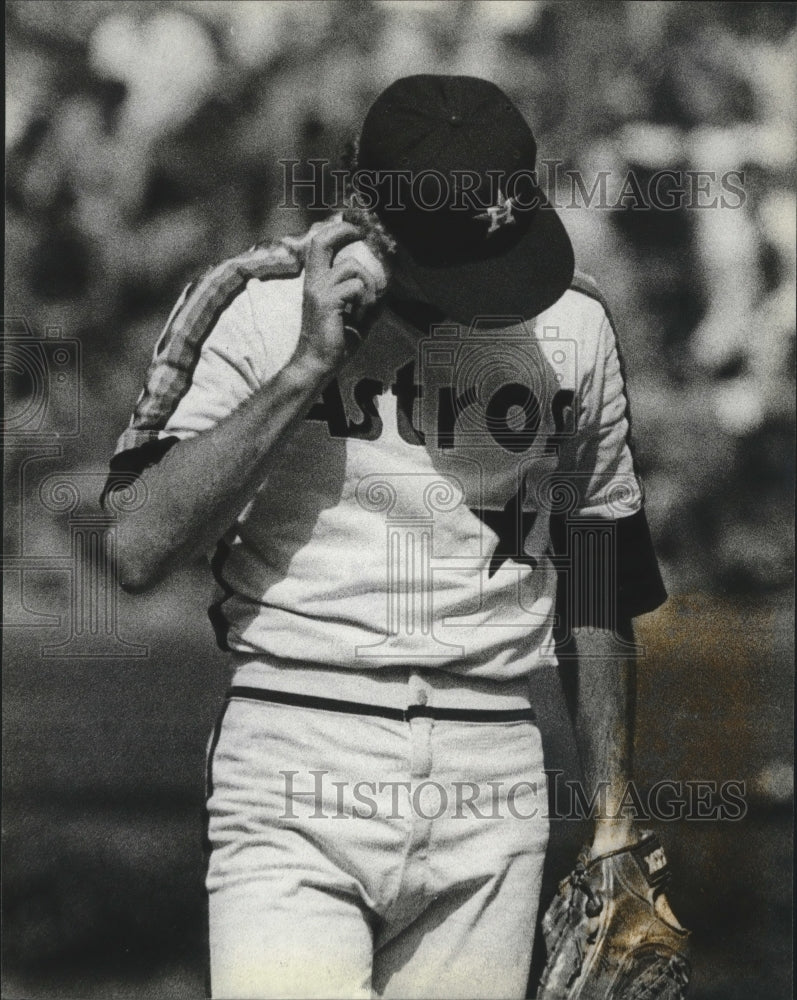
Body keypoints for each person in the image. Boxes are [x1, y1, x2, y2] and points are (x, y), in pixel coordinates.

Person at [104, 75, 667, 999]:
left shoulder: (573, 322)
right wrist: (308, 365)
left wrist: (612, 815)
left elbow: (598, 566)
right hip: (296, 750)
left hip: (493, 767)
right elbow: (134, 550)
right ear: (367, 210)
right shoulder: (252, 303)